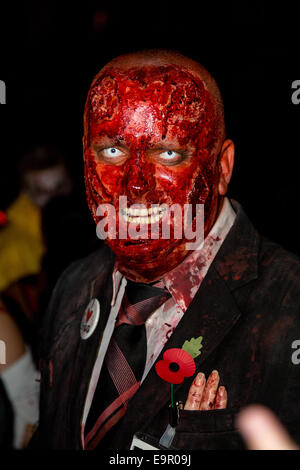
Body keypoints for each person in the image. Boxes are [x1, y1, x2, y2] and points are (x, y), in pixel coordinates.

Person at [29, 49, 300, 450]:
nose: (135, 184)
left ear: (222, 169)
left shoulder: (289, 305)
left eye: (168, 152)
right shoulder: (74, 286)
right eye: (112, 151)